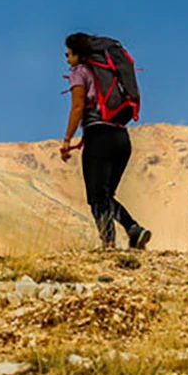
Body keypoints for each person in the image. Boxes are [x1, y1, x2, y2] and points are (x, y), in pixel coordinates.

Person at [59, 33, 152, 249]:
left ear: (78, 54)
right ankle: (133, 230)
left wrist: (66, 140)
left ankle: (110, 242)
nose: (66, 58)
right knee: (106, 195)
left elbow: (78, 107)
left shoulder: (79, 73)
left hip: (98, 137)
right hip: (121, 138)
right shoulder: (110, 72)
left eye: (68, 54)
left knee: (96, 197)